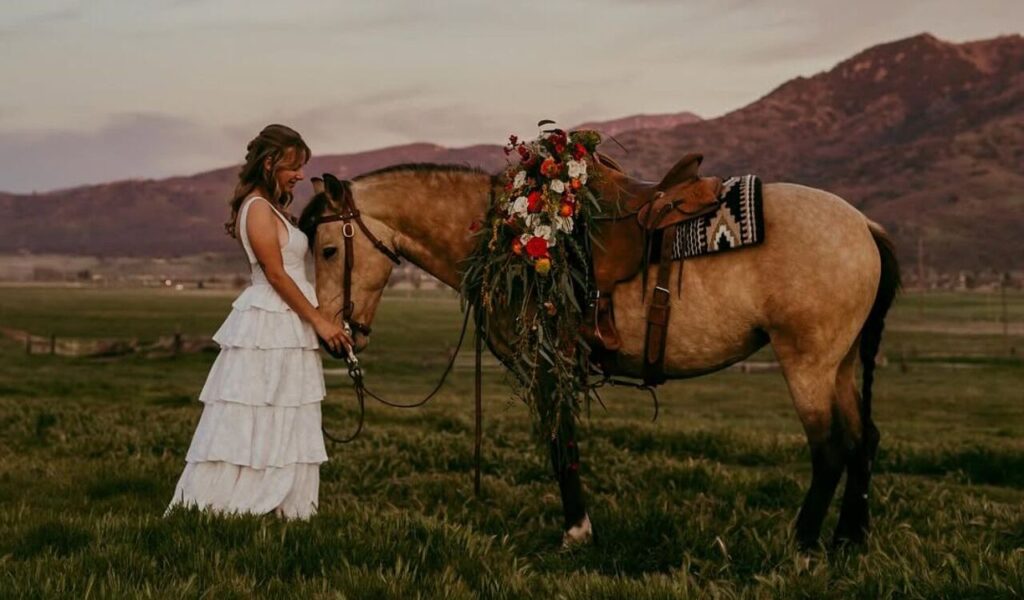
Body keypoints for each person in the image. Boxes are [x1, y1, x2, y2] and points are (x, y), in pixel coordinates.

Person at [165, 124, 351, 520]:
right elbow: (276, 273)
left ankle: (288, 503)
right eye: (293, 166)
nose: (300, 174)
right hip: (270, 321)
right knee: (259, 407)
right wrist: (318, 321)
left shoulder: (276, 210)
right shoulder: (257, 209)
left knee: (284, 409)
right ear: (269, 164)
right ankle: (239, 499)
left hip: (288, 320)